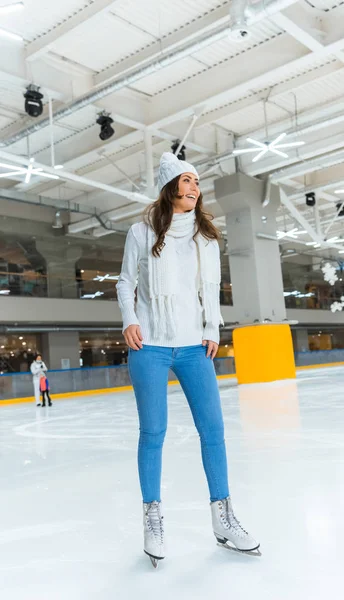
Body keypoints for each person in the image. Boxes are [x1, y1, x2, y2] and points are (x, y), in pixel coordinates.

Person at [116, 152, 260, 568]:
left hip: (194, 347)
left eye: (196, 181)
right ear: (169, 187)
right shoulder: (141, 233)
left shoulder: (206, 236)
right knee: (154, 433)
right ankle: (153, 519)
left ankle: (224, 518)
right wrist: (129, 319)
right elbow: (127, 281)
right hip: (151, 347)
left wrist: (213, 327)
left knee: (213, 431)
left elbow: (209, 290)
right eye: (185, 180)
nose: (194, 187)